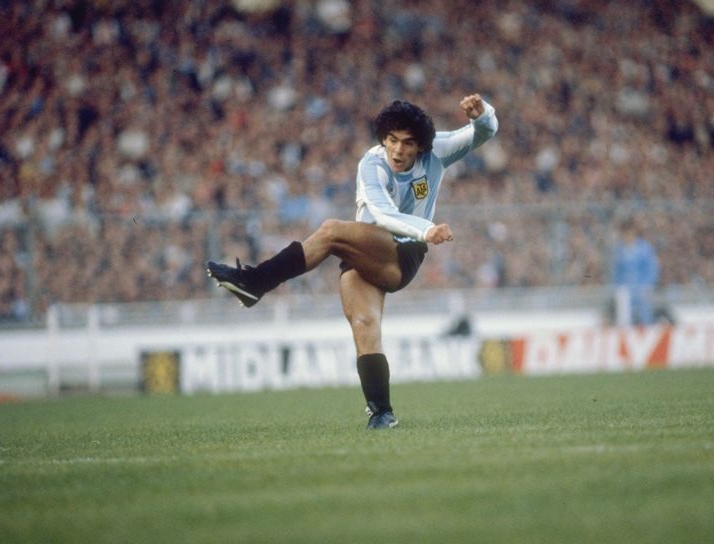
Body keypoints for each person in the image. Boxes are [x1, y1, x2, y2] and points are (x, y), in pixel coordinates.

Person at [207, 93, 498, 429]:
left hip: (403, 254)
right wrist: (427, 229)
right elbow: (382, 214)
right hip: (365, 254)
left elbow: (484, 133)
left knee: (331, 231)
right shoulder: (371, 165)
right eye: (392, 140)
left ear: (420, 145)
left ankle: (255, 282)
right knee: (364, 325)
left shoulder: (437, 152)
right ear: (383, 138)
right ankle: (382, 413)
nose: (398, 150)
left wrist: (482, 114)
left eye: (407, 143)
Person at [611, 217, 660, 326]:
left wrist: (648, 284)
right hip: (626, 288)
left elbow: (652, 268)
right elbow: (616, 271)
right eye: (625, 234)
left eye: (630, 233)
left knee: (645, 315)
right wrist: (618, 286)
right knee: (624, 318)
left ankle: (647, 330)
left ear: (634, 232)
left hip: (642, 287)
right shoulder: (619, 250)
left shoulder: (644, 248)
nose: (627, 236)